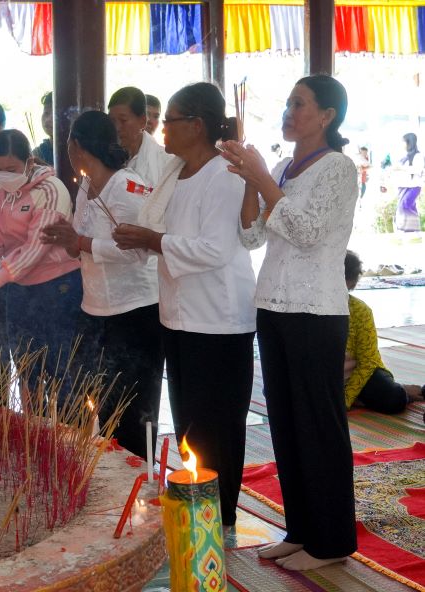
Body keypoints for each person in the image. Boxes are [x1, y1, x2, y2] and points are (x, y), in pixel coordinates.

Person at [222, 74, 358, 570]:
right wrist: (248, 181)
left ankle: (332, 541)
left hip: (316, 311)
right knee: (286, 424)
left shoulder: (338, 168)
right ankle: (301, 530)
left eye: (299, 104)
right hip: (274, 306)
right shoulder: (281, 166)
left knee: (319, 425)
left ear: (326, 116)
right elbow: (251, 237)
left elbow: (306, 232)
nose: (288, 111)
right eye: (287, 102)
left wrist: (259, 178)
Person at [113, 82, 256, 528]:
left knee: (217, 424)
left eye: (169, 120)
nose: (162, 128)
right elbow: (166, 235)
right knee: (191, 419)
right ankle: (199, 501)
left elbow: (214, 249)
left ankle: (220, 516)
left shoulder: (224, 173)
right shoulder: (177, 173)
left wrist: (153, 240)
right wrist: (144, 238)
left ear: (195, 126)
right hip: (178, 314)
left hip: (218, 318)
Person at [40, 111, 163, 458]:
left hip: (135, 313)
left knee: (135, 414)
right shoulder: (86, 186)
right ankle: (114, 489)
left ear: (75, 146)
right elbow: (83, 246)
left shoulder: (127, 186)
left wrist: (80, 243)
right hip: (95, 310)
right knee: (106, 407)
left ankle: (140, 492)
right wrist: (67, 240)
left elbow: (140, 250)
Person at [0, 130, 81, 393]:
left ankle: (65, 430)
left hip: (57, 287)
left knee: (60, 368)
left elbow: (37, 248)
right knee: (26, 366)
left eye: (12, 168)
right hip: (16, 286)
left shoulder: (51, 189)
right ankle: (33, 429)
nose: (5, 176)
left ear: (30, 162)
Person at [342, 251, 425, 413]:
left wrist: (345, 399)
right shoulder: (309, 312)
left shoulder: (360, 311)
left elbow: (367, 363)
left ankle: (403, 390)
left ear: (351, 283)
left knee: (394, 399)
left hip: (361, 375)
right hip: (326, 379)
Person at [108, 87, 170, 188]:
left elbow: (148, 195)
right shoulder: (105, 156)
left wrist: (130, 189)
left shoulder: (165, 161)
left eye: (123, 120)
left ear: (142, 121)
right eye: (112, 121)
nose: (117, 128)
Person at [390, 133, 421, 232]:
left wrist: (401, 168)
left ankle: (408, 230)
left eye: (403, 142)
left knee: (404, 207)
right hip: (402, 187)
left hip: (413, 187)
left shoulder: (418, 156)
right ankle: (415, 232)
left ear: (409, 142)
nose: (402, 144)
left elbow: (417, 169)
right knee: (409, 207)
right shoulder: (404, 156)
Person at [32, 92, 54, 166]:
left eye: (54, 114)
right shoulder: (38, 153)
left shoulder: (76, 151)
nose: (48, 120)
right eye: (46, 113)